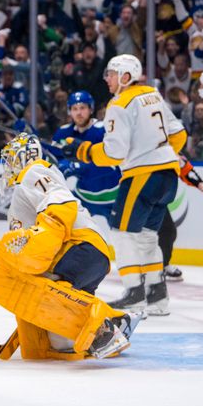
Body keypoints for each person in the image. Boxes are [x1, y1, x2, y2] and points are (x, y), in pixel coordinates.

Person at [0, 133, 142, 361]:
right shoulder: (25, 189)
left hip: (81, 247)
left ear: (26, 156)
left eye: (12, 159)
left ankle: (107, 324)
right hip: (89, 254)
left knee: (34, 285)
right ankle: (111, 330)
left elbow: (61, 204)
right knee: (60, 338)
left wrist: (43, 237)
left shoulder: (35, 171)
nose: (8, 166)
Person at [63, 54, 187, 316]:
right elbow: (179, 135)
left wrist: (85, 151)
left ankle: (134, 293)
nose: (107, 78)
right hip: (168, 176)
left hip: (142, 177)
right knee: (146, 236)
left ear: (126, 76)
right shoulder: (153, 95)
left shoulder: (119, 103)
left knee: (121, 233)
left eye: (111, 73)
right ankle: (157, 297)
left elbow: (115, 153)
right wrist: (157, 154)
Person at [52, 91, 120, 229]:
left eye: (83, 108)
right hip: (84, 198)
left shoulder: (102, 130)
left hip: (113, 197)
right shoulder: (64, 133)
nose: (79, 113)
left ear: (91, 109)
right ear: (69, 111)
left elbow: (111, 164)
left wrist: (78, 167)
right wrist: (32, 135)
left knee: (123, 240)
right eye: (75, 109)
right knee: (65, 230)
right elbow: (51, 158)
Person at [161, 156, 203, 282]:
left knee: (167, 231)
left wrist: (198, 182)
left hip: (156, 199)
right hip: (139, 195)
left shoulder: (168, 147)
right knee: (143, 233)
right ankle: (144, 268)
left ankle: (161, 266)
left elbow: (183, 166)